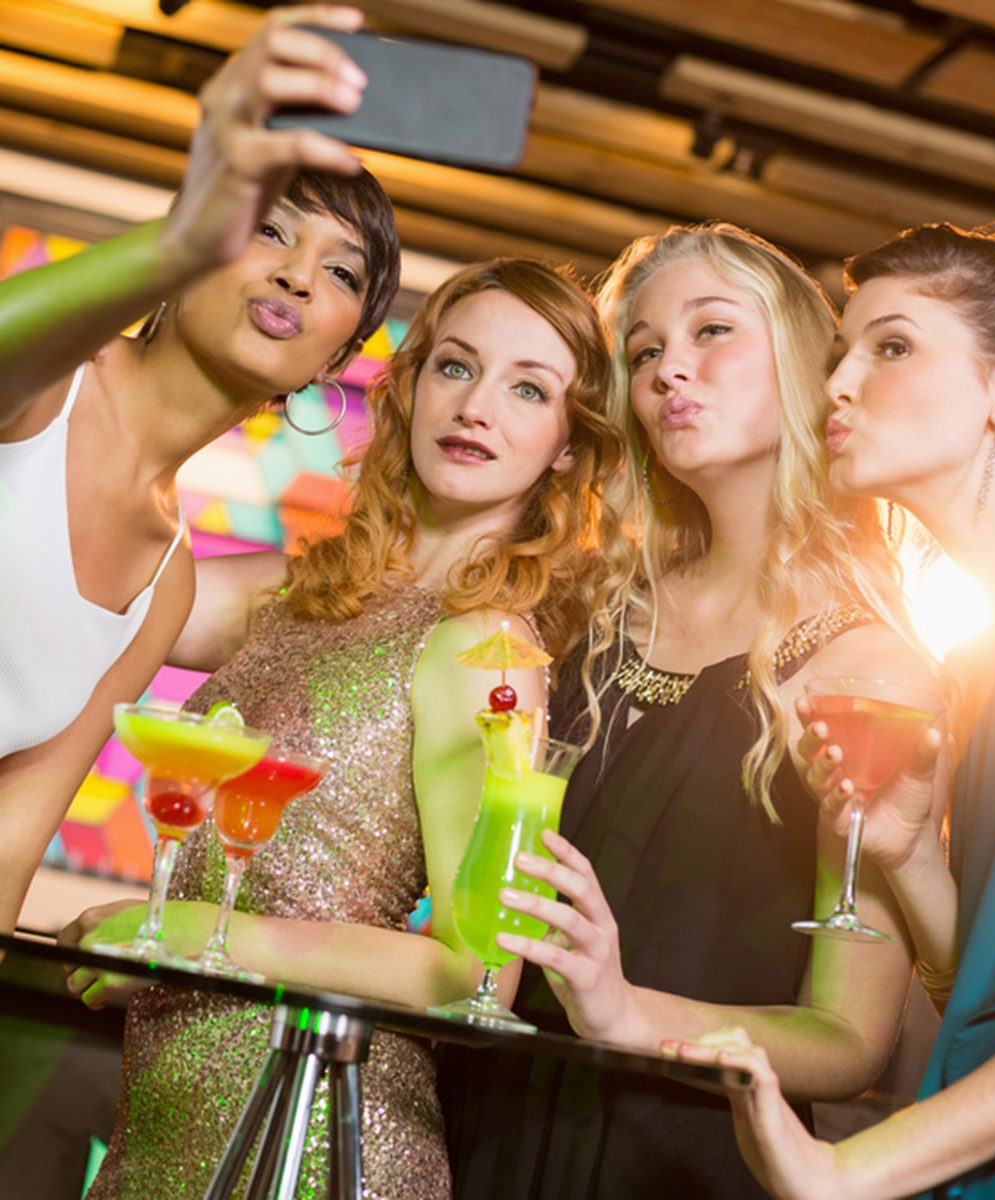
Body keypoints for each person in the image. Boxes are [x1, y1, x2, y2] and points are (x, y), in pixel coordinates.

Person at [60, 256, 623, 1199]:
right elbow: (98, 586)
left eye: (528, 389)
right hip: (166, 1123)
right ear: (411, 387)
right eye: (456, 366)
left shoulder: (487, 650)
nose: (476, 407)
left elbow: (476, 973)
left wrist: (191, 935)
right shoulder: (301, 592)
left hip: (321, 1129)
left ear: (568, 445)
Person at [674, 218, 995, 1198]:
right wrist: (910, 852)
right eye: (840, 355)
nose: (836, 385)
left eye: (892, 348)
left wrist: (848, 1169)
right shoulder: (976, 660)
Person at [439, 223, 939, 1198]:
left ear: (808, 365)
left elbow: (848, 1039)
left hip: (682, 1165)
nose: (670, 370)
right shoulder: (580, 610)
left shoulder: (868, 670)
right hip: (477, 1130)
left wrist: (628, 1014)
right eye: (644, 353)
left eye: (712, 331)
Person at [0, 4, 402, 934]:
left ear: (336, 362)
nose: (300, 276)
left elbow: (13, 836)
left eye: (343, 273)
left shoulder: (166, 583)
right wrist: (182, 237)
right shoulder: (50, 376)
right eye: (270, 230)